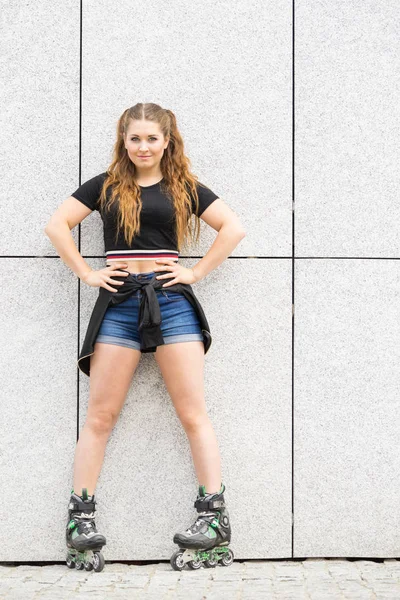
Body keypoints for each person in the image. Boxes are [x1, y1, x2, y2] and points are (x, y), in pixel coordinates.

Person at [44, 103, 246, 571]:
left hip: (172, 304)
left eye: (151, 139)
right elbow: (57, 226)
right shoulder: (106, 185)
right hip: (118, 304)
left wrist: (194, 271)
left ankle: (213, 518)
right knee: (100, 416)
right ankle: (80, 520)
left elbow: (233, 228)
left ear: (167, 141)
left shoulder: (184, 187)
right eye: (134, 139)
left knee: (193, 413)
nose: (143, 147)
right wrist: (87, 274)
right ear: (124, 141)